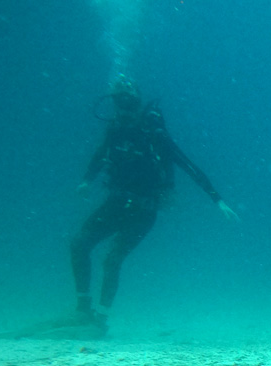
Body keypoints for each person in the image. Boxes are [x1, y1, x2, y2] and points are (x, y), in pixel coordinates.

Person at [69, 78, 237, 331]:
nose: (123, 109)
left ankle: (100, 320)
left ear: (136, 104)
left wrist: (218, 200)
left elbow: (187, 164)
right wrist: (86, 181)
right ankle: (83, 310)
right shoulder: (115, 129)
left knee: (112, 259)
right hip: (116, 202)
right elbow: (101, 155)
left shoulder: (154, 134)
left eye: (128, 103)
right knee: (79, 243)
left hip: (143, 211)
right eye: (118, 103)